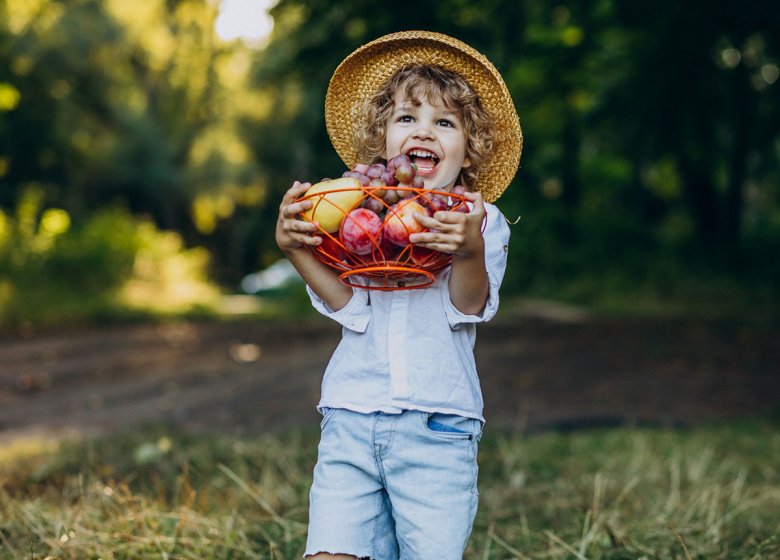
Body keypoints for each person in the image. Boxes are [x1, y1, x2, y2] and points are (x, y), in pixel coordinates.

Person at [275, 31, 523, 560]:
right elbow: (349, 306)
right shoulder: (355, 213)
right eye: (407, 118)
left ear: (469, 146)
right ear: (384, 137)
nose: (424, 131)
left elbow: (468, 306)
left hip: (438, 426)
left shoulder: (479, 220)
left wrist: (468, 251)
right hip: (351, 413)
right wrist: (297, 251)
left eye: (445, 122)